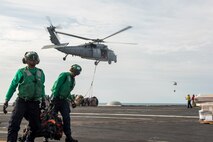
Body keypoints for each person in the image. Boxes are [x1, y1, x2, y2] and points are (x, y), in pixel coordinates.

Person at [3, 51, 46, 142]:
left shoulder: (40, 72)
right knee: (14, 125)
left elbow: (42, 87)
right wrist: (7, 100)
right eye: (31, 60)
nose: (33, 62)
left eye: (34, 60)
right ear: (26, 60)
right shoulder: (21, 72)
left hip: (35, 103)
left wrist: (43, 100)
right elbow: (13, 85)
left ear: (37, 61)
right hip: (22, 102)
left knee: (36, 127)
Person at [51, 64, 82, 142]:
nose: (75, 73)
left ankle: (68, 137)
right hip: (56, 99)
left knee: (67, 118)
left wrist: (72, 101)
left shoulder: (73, 80)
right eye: (75, 71)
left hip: (64, 101)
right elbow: (56, 86)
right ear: (71, 70)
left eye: (77, 72)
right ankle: (47, 136)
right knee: (51, 117)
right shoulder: (64, 75)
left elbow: (68, 92)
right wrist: (54, 97)